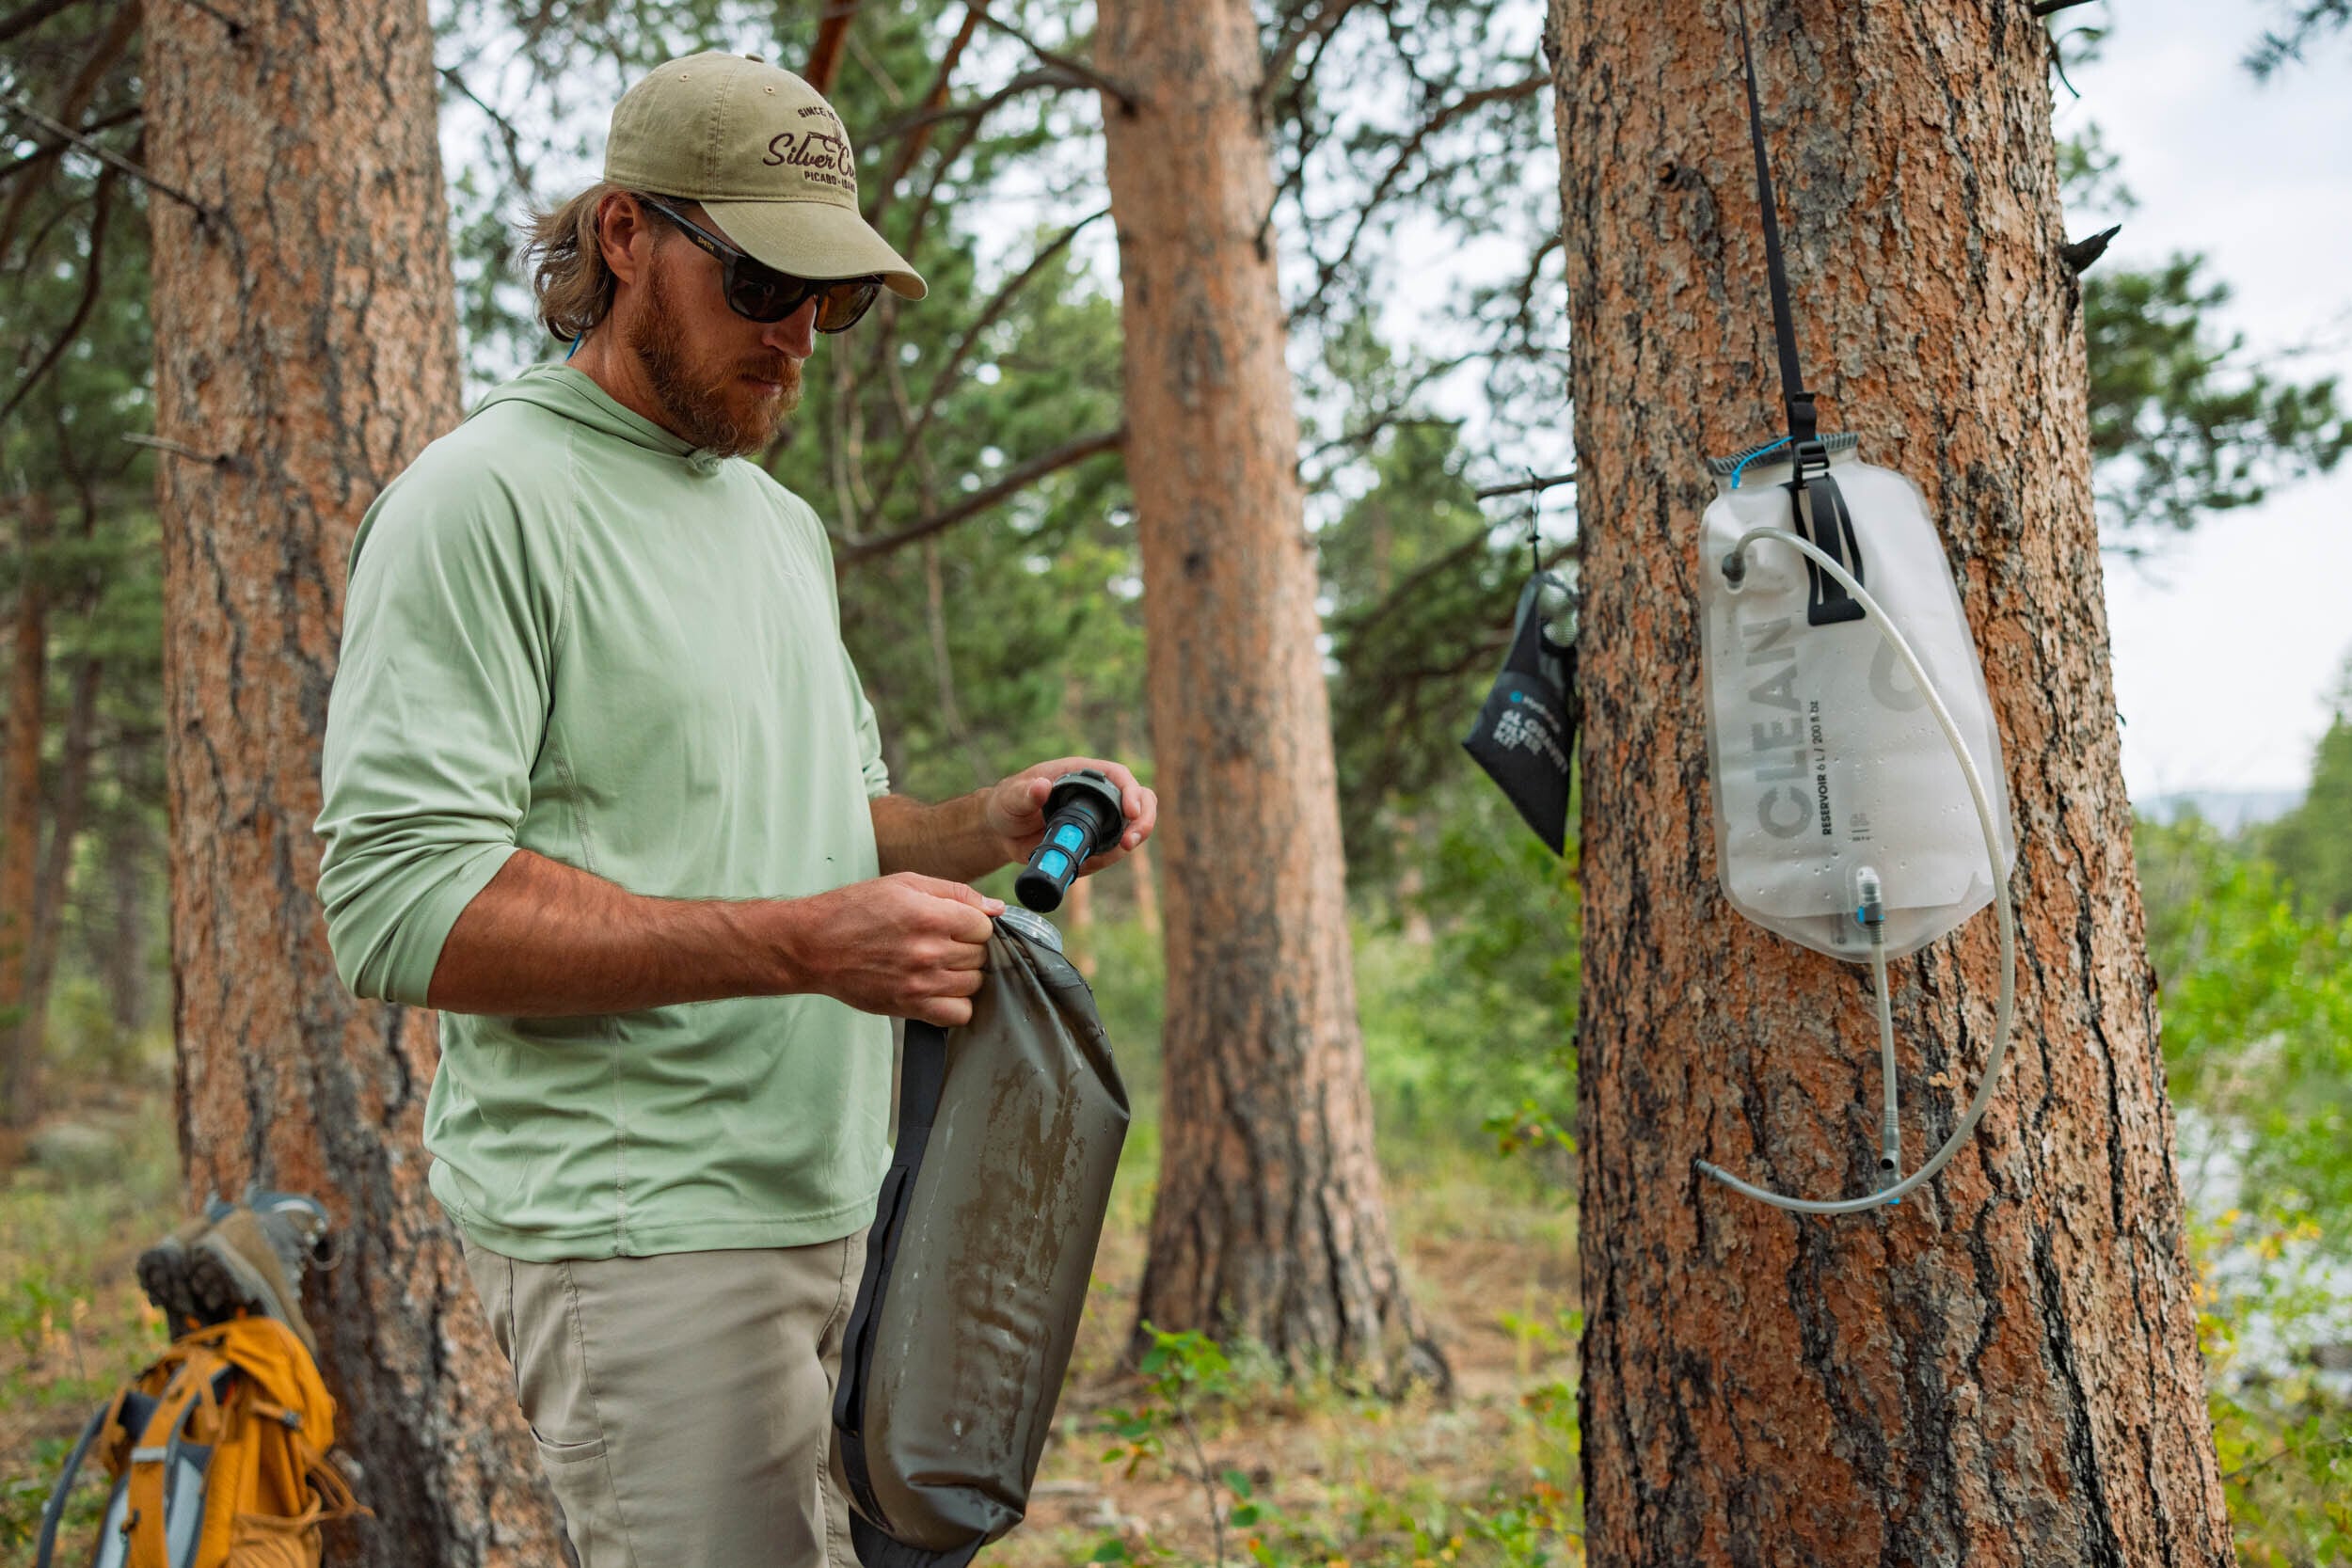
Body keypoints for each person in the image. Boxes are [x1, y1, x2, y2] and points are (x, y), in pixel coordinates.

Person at [312, 52, 1155, 1568]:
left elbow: (814, 821)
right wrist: (804, 948)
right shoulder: (481, 503)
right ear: (626, 237)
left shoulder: (775, 526)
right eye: (764, 282)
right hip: (649, 1240)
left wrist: (986, 821)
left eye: (831, 302)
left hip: (852, 1198)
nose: (797, 340)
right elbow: (401, 907)